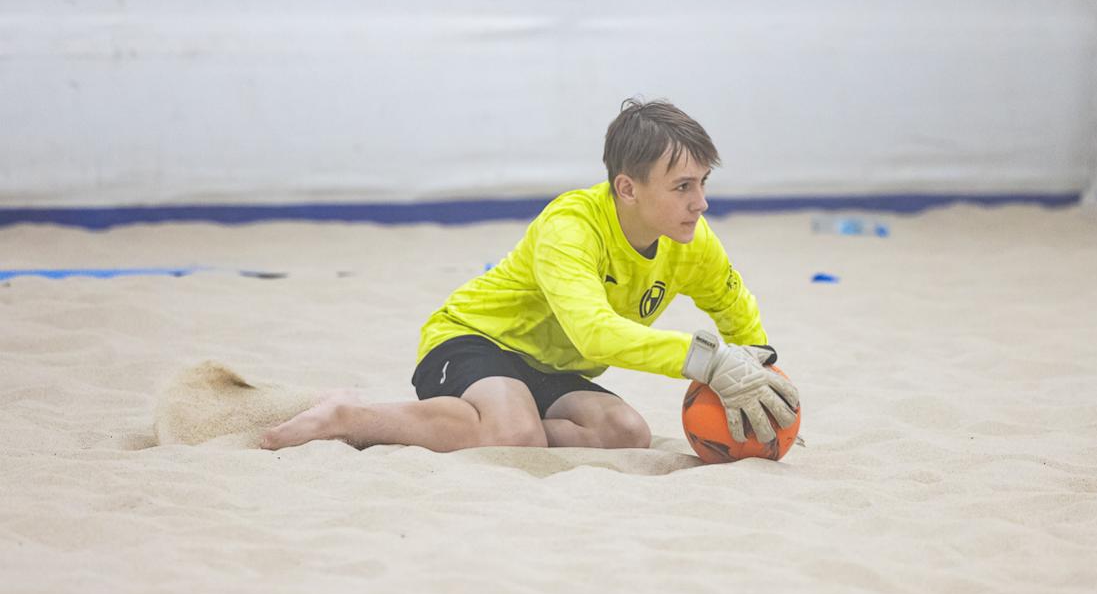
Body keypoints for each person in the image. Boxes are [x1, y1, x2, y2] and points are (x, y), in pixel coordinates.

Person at [260, 98, 799, 452]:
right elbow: (594, 333)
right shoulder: (571, 227)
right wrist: (708, 360)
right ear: (627, 188)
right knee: (514, 434)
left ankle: (483, 423)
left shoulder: (692, 241)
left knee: (626, 432)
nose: (701, 202)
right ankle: (348, 416)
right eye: (683, 186)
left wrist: (764, 384)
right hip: (473, 340)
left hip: (547, 368)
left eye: (703, 183)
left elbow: (735, 311)